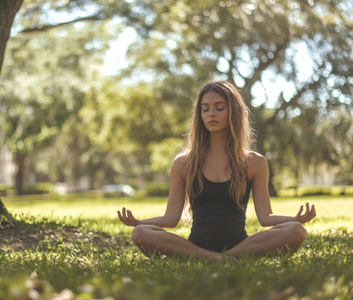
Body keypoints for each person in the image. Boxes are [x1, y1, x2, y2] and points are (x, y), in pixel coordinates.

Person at [117, 81, 316, 262]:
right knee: (141, 233)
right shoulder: (183, 163)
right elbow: (171, 219)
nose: (211, 113)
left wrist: (295, 219)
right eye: (205, 109)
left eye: (219, 108)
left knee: (296, 231)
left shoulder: (254, 162)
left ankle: (222, 258)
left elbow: (266, 217)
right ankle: (214, 258)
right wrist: (139, 222)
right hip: (194, 245)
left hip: (240, 245)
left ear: (234, 112)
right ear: (200, 115)